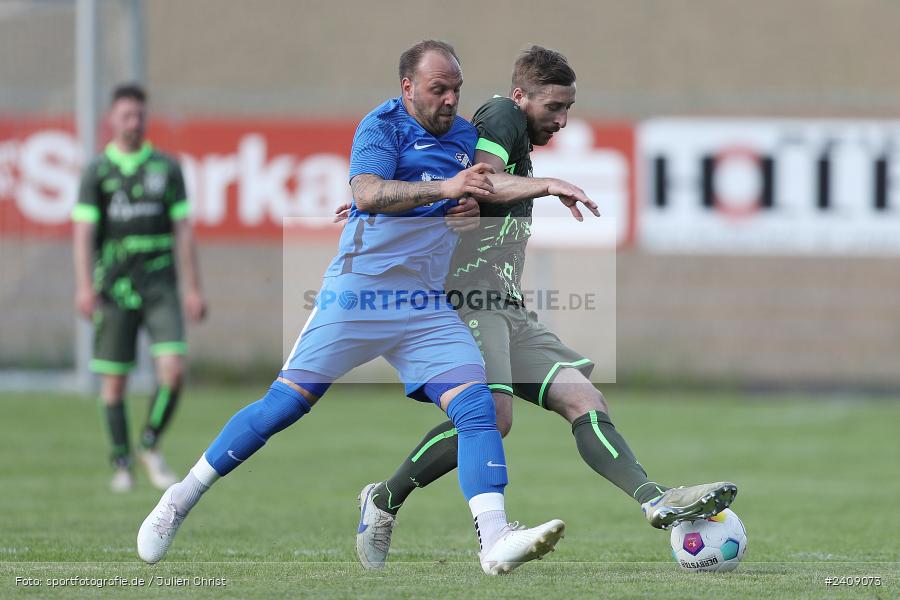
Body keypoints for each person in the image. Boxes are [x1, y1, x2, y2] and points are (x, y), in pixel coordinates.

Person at [136, 40, 596, 575]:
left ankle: (494, 538)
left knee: (478, 408)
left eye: (456, 89)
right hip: (359, 295)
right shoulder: (381, 126)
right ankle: (181, 497)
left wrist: (484, 203)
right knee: (283, 407)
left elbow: (482, 188)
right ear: (408, 87)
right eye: (439, 89)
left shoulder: (464, 137)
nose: (450, 100)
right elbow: (370, 192)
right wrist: (444, 190)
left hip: (424, 306)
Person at [352, 46, 737, 570]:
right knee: (493, 418)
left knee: (584, 398)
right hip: (467, 301)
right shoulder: (501, 115)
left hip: (506, 306)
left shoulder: (516, 137)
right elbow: (483, 179)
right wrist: (547, 186)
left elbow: (470, 195)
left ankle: (654, 499)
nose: (562, 120)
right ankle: (384, 499)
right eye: (554, 107)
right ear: (520, 97)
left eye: (568, 108)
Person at [72, 83, 207, 493]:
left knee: (174, 371)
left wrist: (193, 288)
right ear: (112, 120)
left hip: (160, 284)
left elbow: (183, 230)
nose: (133, 123)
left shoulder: (166, 168)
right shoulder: (97, 172)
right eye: (126, 116)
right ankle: (121, 462)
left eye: (139, 115)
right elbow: (83, 233)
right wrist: (84, 286)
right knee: (114, 383)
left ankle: (149, 444)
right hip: (114, 288)